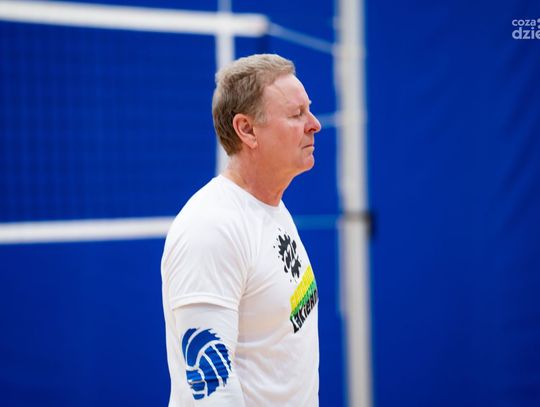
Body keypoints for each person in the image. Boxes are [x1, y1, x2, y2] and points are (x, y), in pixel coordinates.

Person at [161, 53, 322, 406]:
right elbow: (210, 390)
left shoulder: (271, 207)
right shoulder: (211, 228)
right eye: (296, 114)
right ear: (247, 130)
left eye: (308, 110)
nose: (314, 124)